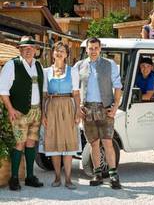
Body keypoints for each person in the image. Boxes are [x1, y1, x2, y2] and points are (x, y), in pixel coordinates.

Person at [74, 37, 122, 189]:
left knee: (107, 142)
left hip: (105, 108)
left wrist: (115, 107)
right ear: (86, 49)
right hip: (87, 109)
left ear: (100, 48)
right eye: (90, 48)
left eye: (96, 48)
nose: (93, 51)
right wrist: (78, 107)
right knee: (93, 143)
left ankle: (113, 175)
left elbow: (118, 87)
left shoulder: (110, 64)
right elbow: (75, 90)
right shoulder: (79, 65)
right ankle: (97, 174)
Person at [0, 36, 44, 191]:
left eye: (31, 48)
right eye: (25, 48)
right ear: (19, 49)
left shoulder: (38, 65)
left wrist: (42, 110)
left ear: (35, 50)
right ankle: (13, 178)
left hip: (36, 111)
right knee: (19, 143)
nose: (28, 50)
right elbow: (3, 90)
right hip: (19, 112)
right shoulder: (12, 65)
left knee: (31, 143)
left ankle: (30, 177)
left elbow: (41, 89)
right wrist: (11, 109)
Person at [39, 42, 81, 189]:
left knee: (68, 144)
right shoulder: (46, 72)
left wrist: (78, 111)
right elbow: (44, 95)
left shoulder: (73, 71)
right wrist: (43, 114)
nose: (59, 53)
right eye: (57, 50)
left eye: (62, 51)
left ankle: (68, 178)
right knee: (54, 144)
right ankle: (57, 176)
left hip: (68, 106)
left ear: (67, 55)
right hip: (51, 107)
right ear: (52, 53)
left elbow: (76, 93)